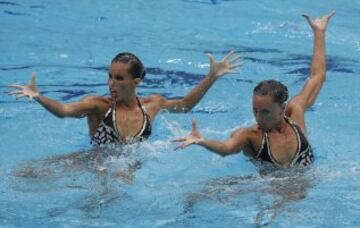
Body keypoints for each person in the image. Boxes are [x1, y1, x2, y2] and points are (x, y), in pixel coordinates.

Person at [174, 12, 335, 168]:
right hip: (269, 191)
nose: (258, 117)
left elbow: (317, 77)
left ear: (282, 108)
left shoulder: (296, 113)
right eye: (255, 110)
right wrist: (204, 142)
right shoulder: (251, 136)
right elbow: (226, 148)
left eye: (265, 112)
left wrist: (318, 32)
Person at [9, 51, 242, 146]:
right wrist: (39, 97)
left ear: (135, 82)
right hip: (95, 168)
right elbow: (63, 111)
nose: (111, 83)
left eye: (119, 78)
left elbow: (185, 106)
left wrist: (212, 76)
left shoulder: (152, 105)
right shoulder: (98, 106)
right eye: (109, 76)